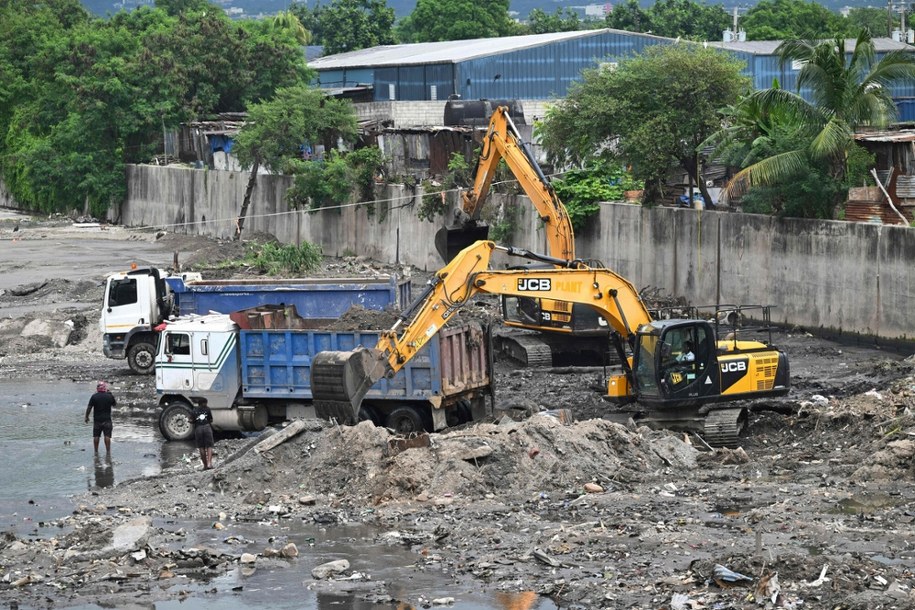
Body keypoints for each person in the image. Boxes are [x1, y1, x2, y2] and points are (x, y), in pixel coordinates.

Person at [85, 381, 116, 453]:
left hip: (97, 420)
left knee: (96, 436)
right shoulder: (109, 396)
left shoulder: (94, 396)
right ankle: (108, 451)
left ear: (97, 388)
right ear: (105, 388)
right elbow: (114, 404)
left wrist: (86, 417)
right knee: (107, 436)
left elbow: (89, 407)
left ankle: (96, 451)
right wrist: (110, 394)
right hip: (107, 420)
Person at [192, 398, 215, 470]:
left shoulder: (194, 410)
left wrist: (194, 421)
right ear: (203, 403)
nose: (206, 404)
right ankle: (209, 464)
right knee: (209, 446)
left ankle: (205, 466)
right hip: (207, 427)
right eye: (206, 403)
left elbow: (191, 420)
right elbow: (211, 420)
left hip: (198, 429)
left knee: (201, 447)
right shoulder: (207, 409)